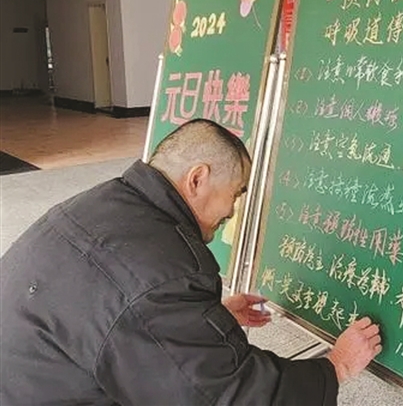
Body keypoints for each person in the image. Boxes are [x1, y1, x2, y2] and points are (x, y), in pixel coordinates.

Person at [0, 119, 381, 405]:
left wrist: (204, 322)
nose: (232, 210)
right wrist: (337, 365)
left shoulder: (103, 202)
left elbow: (116, 310)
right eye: (235, 194)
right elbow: (226, 392)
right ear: (197, 179)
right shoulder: (168, 271)